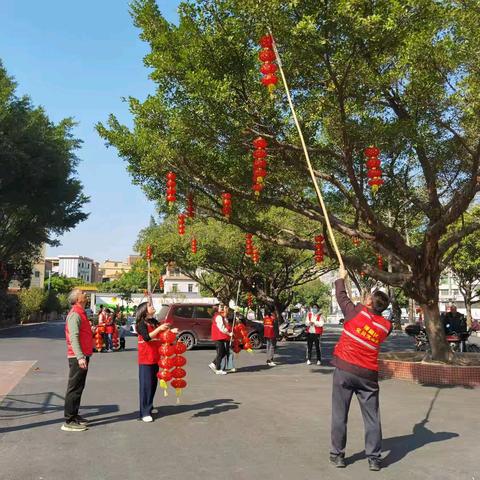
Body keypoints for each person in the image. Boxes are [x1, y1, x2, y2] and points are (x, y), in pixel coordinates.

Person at [330, 268, 391, 471]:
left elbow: (341, 296)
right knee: (372, 417)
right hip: (368, 376)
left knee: (340, 414)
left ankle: (337, 455)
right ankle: (374, 458)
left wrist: (341, 277)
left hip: (344, 370)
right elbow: (351, 301)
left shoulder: (356, 312)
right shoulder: (385, 327)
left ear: (369, 303)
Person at [135, 301, 176, 422]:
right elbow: (147, 337)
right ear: (144, 310)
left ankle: (149, 405)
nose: (152, 307)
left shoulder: (154, 322)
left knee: (153, 384)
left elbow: (162, 334)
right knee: (146, 385)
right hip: (146, 358)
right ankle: (144, 412)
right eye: (150, 306)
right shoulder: (141, 323)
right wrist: (159, 329)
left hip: (156, 357)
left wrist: (171, 332)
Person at [62, 288, 94, 432]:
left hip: (82, 355)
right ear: (76, 298)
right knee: (74, 388)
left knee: (79, 387)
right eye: (82, 293)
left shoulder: (81, 312)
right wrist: (80, 356)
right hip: (77, 357)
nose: (85, 294)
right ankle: (68, 420)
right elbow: (73, 337)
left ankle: (74, 416)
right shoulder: (75, 314)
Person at [209, 305, 232, 375]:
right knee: (220, 353)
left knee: (223, 352)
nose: (222, 308)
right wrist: (229, 333)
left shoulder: (219, 316)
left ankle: (213, 364)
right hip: (218, 336)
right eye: (220, 307)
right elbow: (221, 327)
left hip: (220, 336)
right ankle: (218, 369)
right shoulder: (218, 317)